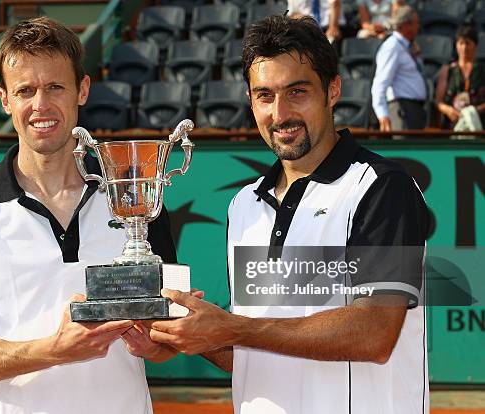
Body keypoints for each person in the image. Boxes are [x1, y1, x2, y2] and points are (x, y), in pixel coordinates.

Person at [149, 14, 429, 414]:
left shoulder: (382, 187)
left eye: (296, 92)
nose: (279, 114)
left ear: (333, 90)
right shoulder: (245, 204)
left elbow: (375, 334)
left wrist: (231, 327)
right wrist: (186, 335)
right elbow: (254, 355)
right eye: (264, 95)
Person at [0, 17, 178, 414]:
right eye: (25, 90)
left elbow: (166, 338)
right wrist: (54, 351)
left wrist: (158, 343)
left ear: (83, 90)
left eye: (55, 87)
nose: (40, 105)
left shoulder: (136, 198)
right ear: (5, 100)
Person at [371, 5, 428, 133]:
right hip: (403, 111)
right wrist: (382, 115)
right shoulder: (392, 47)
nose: (418, 27)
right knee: (406, 151)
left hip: (414, 111)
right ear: (405, 25)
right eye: (415, 23)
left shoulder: (407, 46)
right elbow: (380, 83)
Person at [436, 24, 485, 130]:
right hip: (452, 126)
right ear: (456, 45)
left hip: (478, 127)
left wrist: (474, 111)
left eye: (468, 43)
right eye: (461, 43)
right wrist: (448, 110)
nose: (464, 48)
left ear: (475, 45)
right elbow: (439, 101)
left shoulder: (482, 70)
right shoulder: (448, 70)